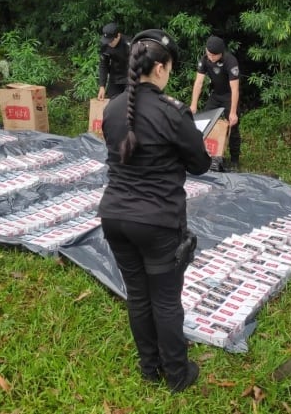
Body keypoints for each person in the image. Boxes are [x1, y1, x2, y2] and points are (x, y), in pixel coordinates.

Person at [98, 28, 211, 392]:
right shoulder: (172, 112)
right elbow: (201, 164)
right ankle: (177, 375)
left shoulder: (113, 108)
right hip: (158, 222)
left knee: (138, 293)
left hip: (114, 216)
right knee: (165, 299)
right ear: (160, 68)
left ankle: (150, 368)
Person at [190, 35, 241, 170]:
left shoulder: (230, 61)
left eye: (214, 55)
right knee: (206, 122)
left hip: (229, 96)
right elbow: (199, 82)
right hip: (216, 95)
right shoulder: (205, 59)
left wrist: (233, 112)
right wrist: (193, 104)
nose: (211, 58)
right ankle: (205, 156)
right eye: (209, 54)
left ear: (221, 53)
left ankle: (235, 160)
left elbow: (235, 89)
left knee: (233, 126)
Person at [98, 22, 131, 100]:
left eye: (111, 41)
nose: (109, 43)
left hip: (129, 77)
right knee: (113, 101)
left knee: (127, 101)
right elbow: (103, 65)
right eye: (107, 41)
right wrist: (102, 86)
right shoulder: (105, 44)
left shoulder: (129, 45)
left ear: (118, 35)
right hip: (114, 77)